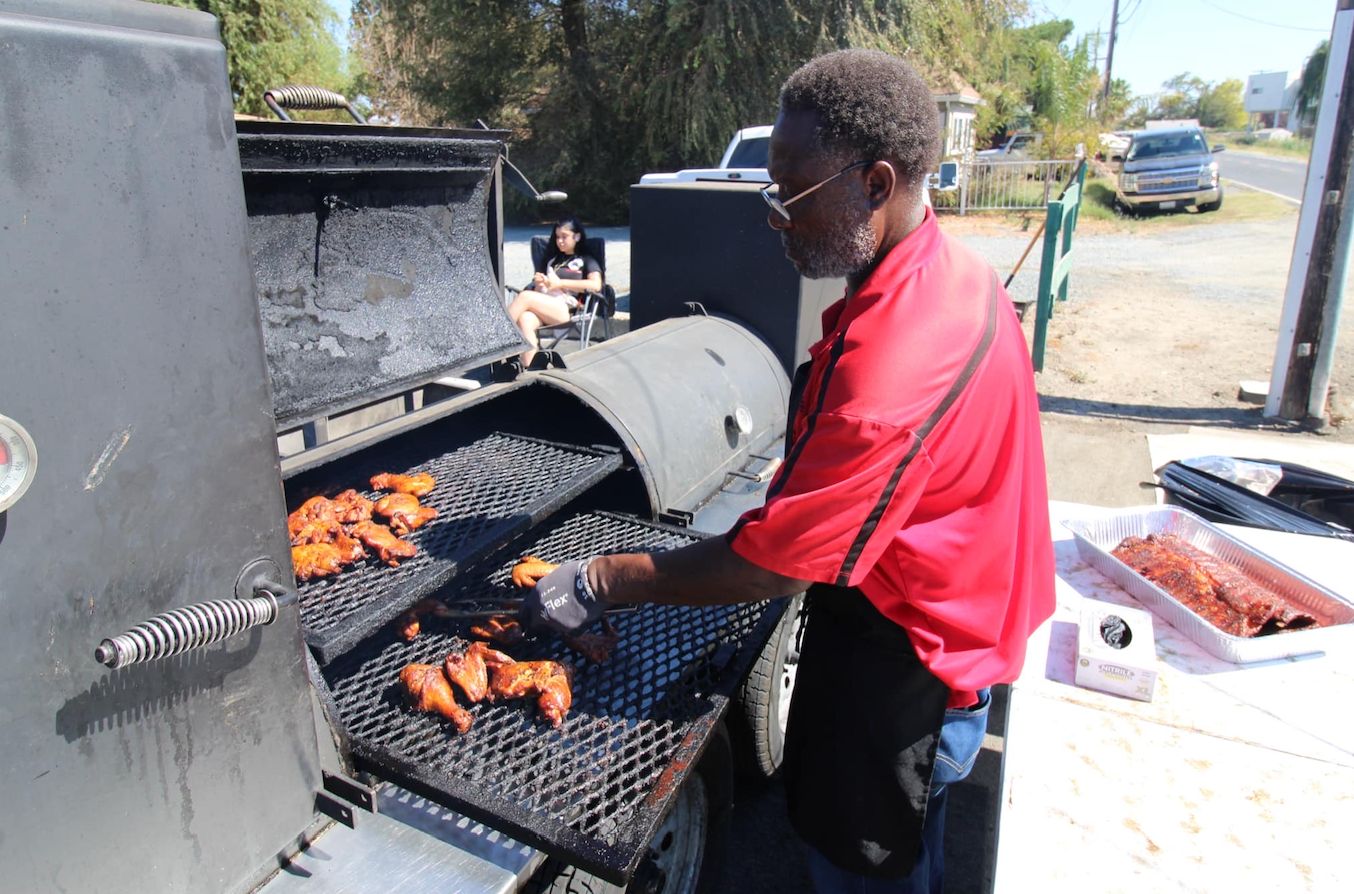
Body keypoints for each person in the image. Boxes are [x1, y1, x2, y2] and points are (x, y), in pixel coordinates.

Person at [523, 49, 1055, 894]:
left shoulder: (893, 363)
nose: (775, 216)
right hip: (954, 625)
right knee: (921, 853)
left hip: (913, 668)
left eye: (791, 192)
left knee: (866, 873)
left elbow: (769, 566)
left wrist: (602, 577)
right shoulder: (955, 270)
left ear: (877, 184)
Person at [507, 216, 603, 367]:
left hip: (567, 309)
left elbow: (596, 285)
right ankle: (531, 369)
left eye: (564, 236)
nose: (560, 241)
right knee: (525, 318)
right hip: (546, 306)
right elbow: (541, 292)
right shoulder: (552, 260)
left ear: (577, 236)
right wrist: (540, 284)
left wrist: (560, 283)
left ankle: (498, 335)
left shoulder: (586, 259)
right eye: (558, 237)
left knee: (525, 297)